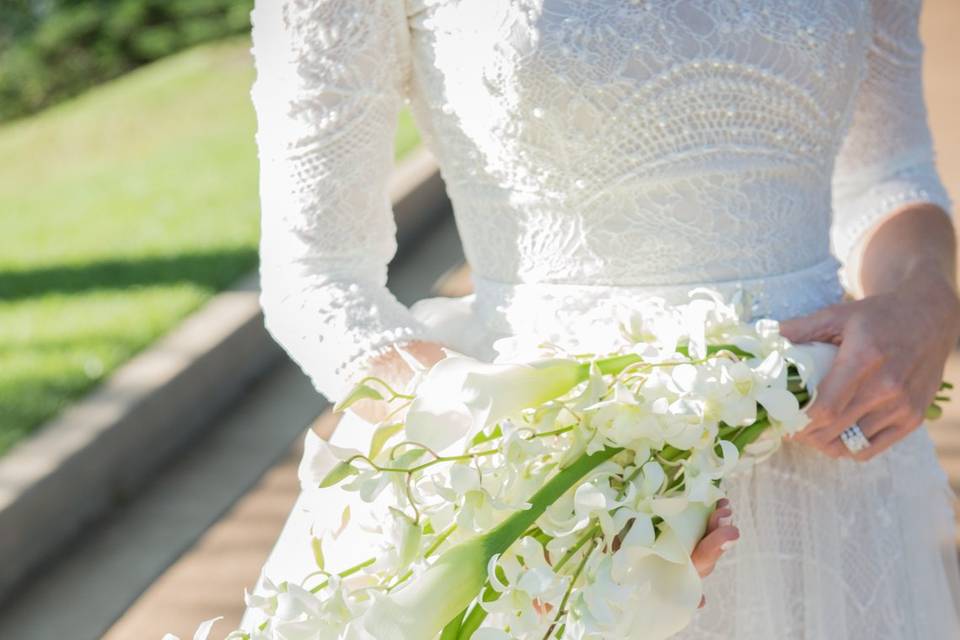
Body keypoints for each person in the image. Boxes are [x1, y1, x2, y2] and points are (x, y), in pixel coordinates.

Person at [242, 0, 960, 636]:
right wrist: (527, 480)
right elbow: (318, 276)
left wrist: (924, 301)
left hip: (827, 467)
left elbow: (888, 173)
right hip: (545, 518)